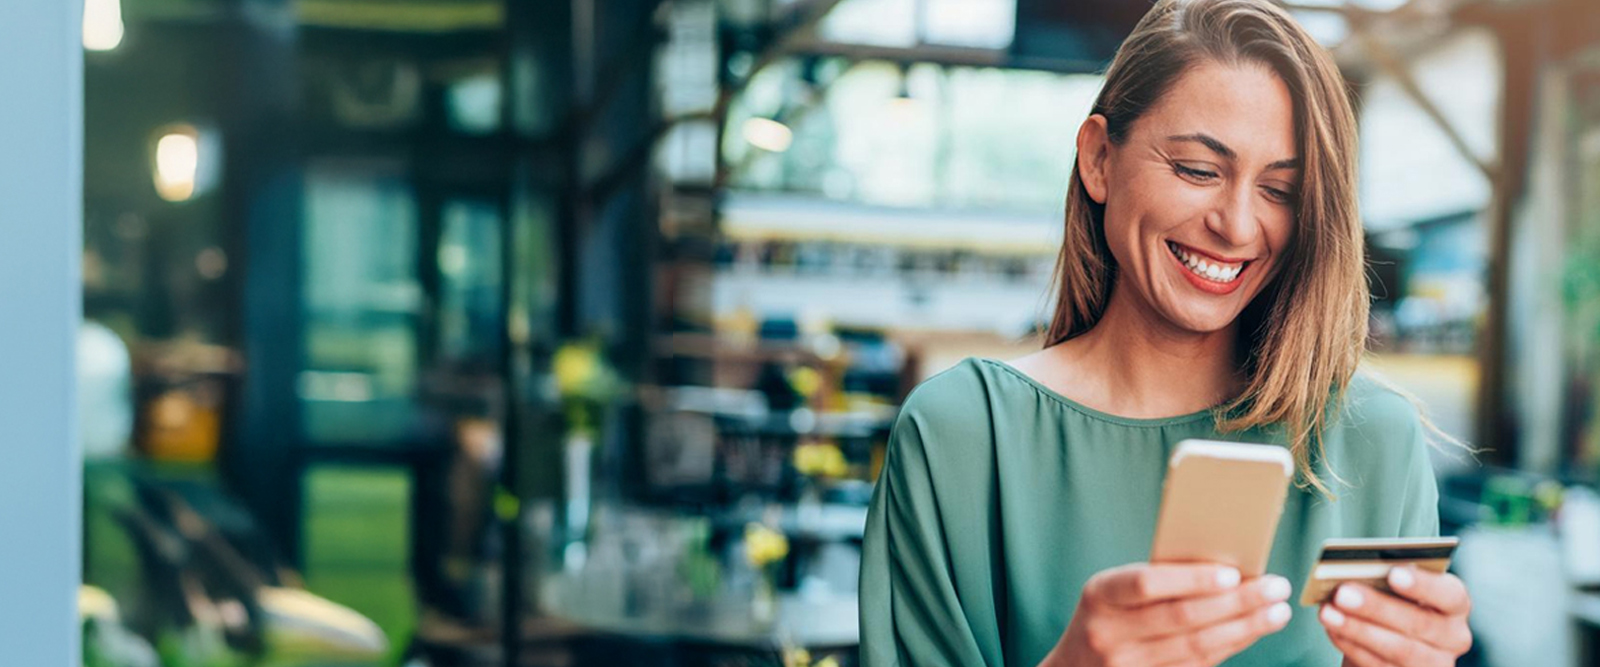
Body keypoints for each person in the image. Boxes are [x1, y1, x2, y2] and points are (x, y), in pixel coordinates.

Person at [857, 1, 1474, 665]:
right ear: (1099, 159)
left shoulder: (1372, 440)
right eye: (1197, 170)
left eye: (1280, 191)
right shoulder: (963, 434)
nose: (1237, 226)